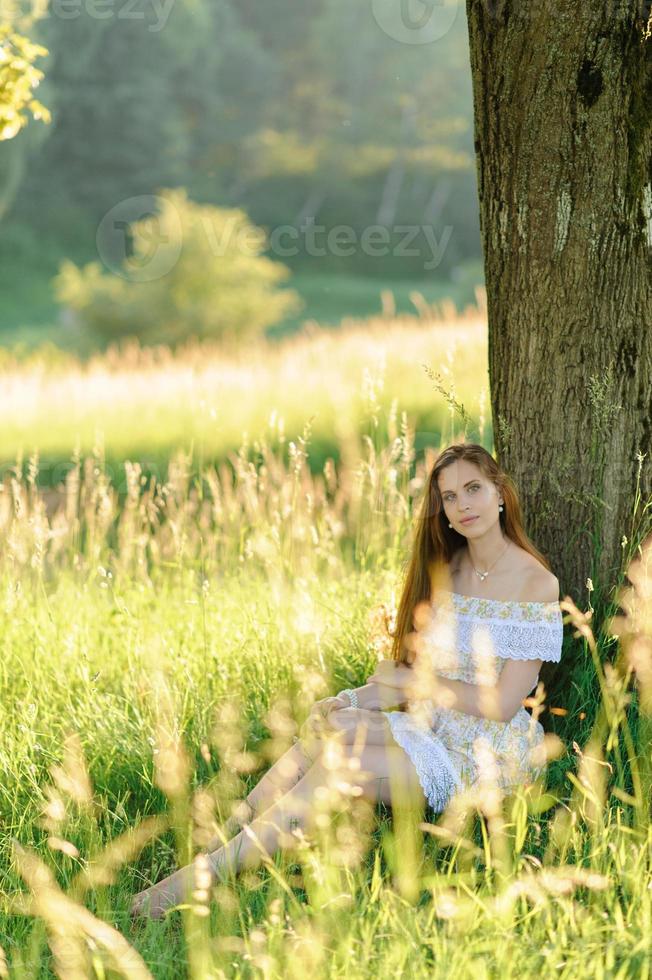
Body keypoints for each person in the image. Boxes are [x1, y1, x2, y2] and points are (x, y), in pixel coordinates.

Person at [130, 442, 563, 919]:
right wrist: (345, 698)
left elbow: (502, 704)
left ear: (500, 493)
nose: (463, 506)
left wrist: (416, 688)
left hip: (488, 753)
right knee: (327, 732)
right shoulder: (449, 569)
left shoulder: (535, 583)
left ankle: (190, 885)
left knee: (337, 766)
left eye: (474, 489)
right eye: (450, 496)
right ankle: (219, 842)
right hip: (434, 727)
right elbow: (408, 678)